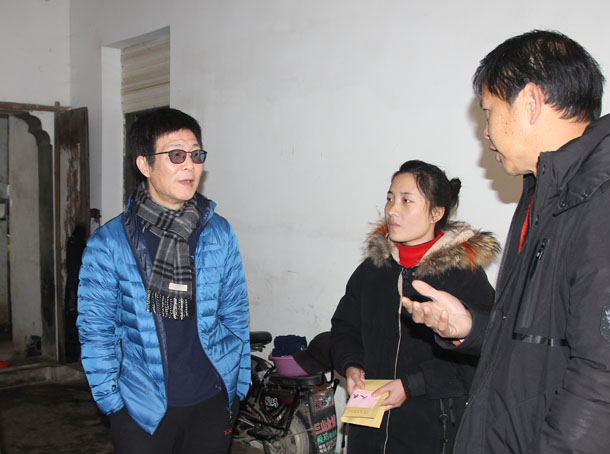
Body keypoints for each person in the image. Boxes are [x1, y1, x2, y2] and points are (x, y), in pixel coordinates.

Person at [403, 30, 610, 453]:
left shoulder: (598, 201)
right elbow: (542, 345)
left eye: (489, 111)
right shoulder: (543, 192)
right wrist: (472, 327)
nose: (485, 131)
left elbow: (600, 380)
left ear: (530, 102)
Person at [77, 108, 250, 453]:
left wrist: (238, 383)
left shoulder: (218, 233)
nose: (190, 165)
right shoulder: (110, 243)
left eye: (196, 154)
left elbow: (235, 315)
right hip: (142, 410)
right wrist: (113, 402)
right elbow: (96, 331)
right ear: (144, 164)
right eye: (176, 155)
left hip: (211, 401)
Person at [331, 160, 498, 454]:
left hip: (431, 429)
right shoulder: (372, 270)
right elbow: (345, 327)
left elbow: (482, 357)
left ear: (436, 213)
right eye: (390, 198)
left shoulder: (464, 277)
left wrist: (411, 386)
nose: (392, 210)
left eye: (406, 201)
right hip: (368, 429)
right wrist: (351, 365)